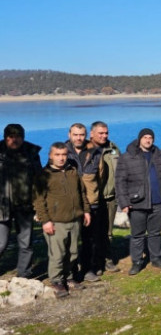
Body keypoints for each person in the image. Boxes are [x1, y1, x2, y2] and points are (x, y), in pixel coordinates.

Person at [32, 142, 90, 298]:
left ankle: (69, 277)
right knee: (57, 254)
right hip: (56, 221)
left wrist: (86, 211)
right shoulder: (43, 175)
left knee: (73, 252)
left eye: (64, 154)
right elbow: (38, 201)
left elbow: (81, 193)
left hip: (75, 219)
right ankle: (57, 280)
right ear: (51, 156)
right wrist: (46, 221)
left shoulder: (72, 172)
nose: (61, 158)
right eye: (57, 155)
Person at [116, 128, 161, 275]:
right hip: (137, 202)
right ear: (140, 139)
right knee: (137, 234)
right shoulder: (127, 156)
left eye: (150, 137)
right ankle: (137, 262)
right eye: (145, 137)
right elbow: (120, 181)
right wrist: (124, 202)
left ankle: (156, 258)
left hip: (157, 201)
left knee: (155, 232)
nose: (148, 140)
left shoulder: (160, 155)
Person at [0, 124, 41, 279]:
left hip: (24, 205)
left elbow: (39, 178)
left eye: (18, 136)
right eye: (11, 136)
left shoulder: (31, 152)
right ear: (5, 137)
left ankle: (24, 273)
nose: (14, 140)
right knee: (1, 243)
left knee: (26, 243)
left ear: (23, 137)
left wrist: (38, 204)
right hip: (1, 207)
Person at [65, 122, 103, 282]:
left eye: (81, 135)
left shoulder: (95, 153)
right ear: (69, 135)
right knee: (70, 241)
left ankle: (88, 269)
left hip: (91, 202)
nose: (79, 138)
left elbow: (101, 177)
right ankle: (71, 272)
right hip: (70, 205)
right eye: (75, 135)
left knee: (89, 240)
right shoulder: (62, 152)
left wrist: (93, 194)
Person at [85, 121, 122, 274]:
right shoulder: (85, 150)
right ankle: (94, 262)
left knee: (107, 232)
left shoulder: (113, 148)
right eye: (100, 133)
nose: (104, 135)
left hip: (111, 197)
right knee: (93, 233)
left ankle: (107, 259)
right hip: (94, 199)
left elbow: (121, 171)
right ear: (91, 133)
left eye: (106, 133)